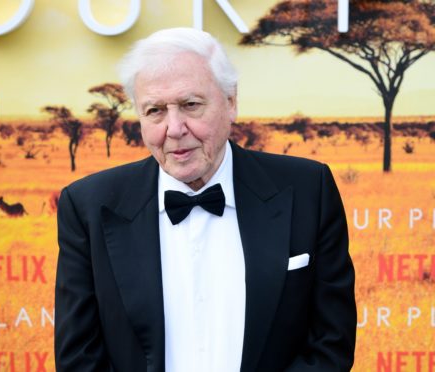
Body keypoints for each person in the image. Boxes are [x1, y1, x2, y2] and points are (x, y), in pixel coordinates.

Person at [55, 27, 356, 372]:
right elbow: (79, 358)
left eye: (191, 105)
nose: (175, 128)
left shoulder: (308, 189)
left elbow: (331, 344)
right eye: (155, 111)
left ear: (231, 102)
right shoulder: (87, 206)